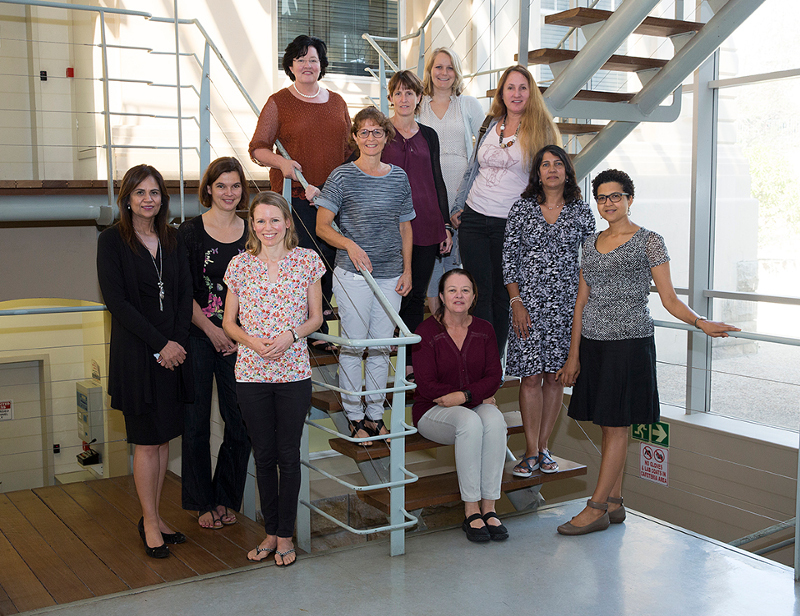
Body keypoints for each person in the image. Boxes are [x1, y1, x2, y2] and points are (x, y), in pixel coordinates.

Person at [555, 169, 739, 536]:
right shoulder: (589, 243)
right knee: (609, 426)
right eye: (602, 197)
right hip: (594, 344)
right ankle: (614, 502)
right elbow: (581, 302)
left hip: (629, 345)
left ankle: (595, 508)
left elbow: (668, 298)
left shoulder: (649, 241)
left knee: (617, 426)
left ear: (629, 199)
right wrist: (573, 355)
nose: (609, 203)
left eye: (616, 196)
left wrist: (700, 321)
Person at [222, 191, 324, 566]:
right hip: (251, 373)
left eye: (275, 220)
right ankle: (270, 532)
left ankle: (285, 536)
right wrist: (251, 340)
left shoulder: (307, 261)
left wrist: (291, 336)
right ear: (252, 225)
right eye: (261, 221)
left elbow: (316, 318)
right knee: (263, 457)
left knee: (288, 456)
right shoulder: (240, 265)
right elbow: (228, 322)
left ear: (287, 223)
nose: (268, 227)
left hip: (293, 372)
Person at [97, 164, 193, 559]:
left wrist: (178, 343)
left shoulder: (173, 238)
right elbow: (116, 303)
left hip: (173, 354)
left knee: (164, 436)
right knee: (146, 443)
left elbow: (185, 294)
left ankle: (155, 514)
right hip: (138, 355)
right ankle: (149, 521)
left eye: (154, 193)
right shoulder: (111, 242)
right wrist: (161, 344)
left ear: (162, 198)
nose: (148, 199)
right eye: (140, 193)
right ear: (127, 199)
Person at [309, 107, 414, 445]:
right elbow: (322, 226)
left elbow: (405, 227)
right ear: (355, 137)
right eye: (364, 132)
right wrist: (349, 245)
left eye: (377, 132)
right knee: (355, 346)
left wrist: (408, 269)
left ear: (387, 136)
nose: (370, 138)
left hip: (390, 275)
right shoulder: (341, 176)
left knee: (382, 348)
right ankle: (354, 417)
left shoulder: (398, 177)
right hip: (353, 275)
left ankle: (375, 416)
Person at [249, 34, 350, 353]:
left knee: (330, 260)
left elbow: (349, 148)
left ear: (322, 66)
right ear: (290, 65)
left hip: (332, 199)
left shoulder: (337, 102)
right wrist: (283, 163)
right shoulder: (279, 101)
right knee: (305, 265)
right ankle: (305, 331)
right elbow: (257, 148)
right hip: (296, 199)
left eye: (314, 59)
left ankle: (317, 328)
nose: (308, 65)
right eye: (301, 59)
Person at [450, 65, 560, 354]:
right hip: (474, 217)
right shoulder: (490, 123)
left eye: (523, 87)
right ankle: (478, 358)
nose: (516, 93)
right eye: (510, 87)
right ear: (502, 92)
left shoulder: (541, 129)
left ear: (531, 92)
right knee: (477, 292)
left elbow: (550, 178)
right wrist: (459, 204)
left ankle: (493, 361)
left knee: (502, 294)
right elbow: (473, 168)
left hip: (511, 223)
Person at [502, 145, 596, 478]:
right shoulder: (522, 209)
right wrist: (516, 303)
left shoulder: (582, 212)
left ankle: (543, 448)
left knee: (555, 380)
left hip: (567, 309)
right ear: (537, 173)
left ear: (567, 172)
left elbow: (591, 263)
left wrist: (581, 309)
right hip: (527, 308)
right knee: (529, 378)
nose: (552, 169)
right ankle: (528, 451)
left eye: (559, 164)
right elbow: (509, 260)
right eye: (545, 164)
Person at [178, 157, 251, 529]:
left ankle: (225, 497)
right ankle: (200, 501)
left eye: (235, 185)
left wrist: (238, 333)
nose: (228, 193)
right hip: (199, 336)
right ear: (208, 189)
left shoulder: (254, 231)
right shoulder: (189, 232)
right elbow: (182, 292)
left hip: (239, 339)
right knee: (196, 423)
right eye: (221, 185)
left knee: (240, 422)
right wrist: (211, 329)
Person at [412, 269, 507, 542]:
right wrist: (472, 396)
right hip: (432, 411)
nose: (459, 295)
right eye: (452, 290)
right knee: (470, 421)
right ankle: (471, 510)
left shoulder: (484, 329)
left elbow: (493, 377)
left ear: (474, 296)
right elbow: (426, 385)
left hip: (469, 404)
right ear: (441, 296)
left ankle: (489, 507)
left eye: (465, 290)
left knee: (494, 419)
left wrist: (466, 396)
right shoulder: (426, 331)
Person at [381, 70, 451, 377]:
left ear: (419, 97)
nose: (404, 99)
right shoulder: (380, 133)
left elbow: (437, 180)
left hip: (426, 224)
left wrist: (445, 224)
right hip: (388, 226)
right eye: (398, 93)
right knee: (389, 291)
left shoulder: (429, 135)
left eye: (410, 93)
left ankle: (408, 362)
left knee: (415, 293)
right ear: (390, 98)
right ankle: (382, 352)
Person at [418, 47, 484, 316]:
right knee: (431, 260)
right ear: (430, 71)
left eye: (449, 67)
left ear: (456, 73)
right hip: (427, 191)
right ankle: (436, 323)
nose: (443, 73)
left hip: (461, 193)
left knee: (456, 260)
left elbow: (484, 151)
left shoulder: (468, 104)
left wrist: (467, 199)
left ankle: (456, 321)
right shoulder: (418, 104)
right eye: (438, 67)